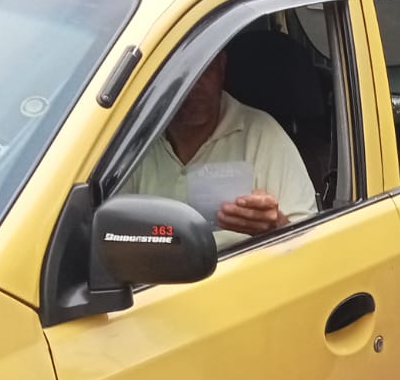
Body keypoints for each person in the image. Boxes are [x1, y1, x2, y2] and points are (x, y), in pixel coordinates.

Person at [124, 49, 316, 246]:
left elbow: (309, 243)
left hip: (242, 270)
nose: (195, 84)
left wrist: (274, 226)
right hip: (153, 272)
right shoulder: (138, 141)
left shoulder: (262, 134)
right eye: (182, 73)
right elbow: (112, 232)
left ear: (221, 68)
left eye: (205, 68)